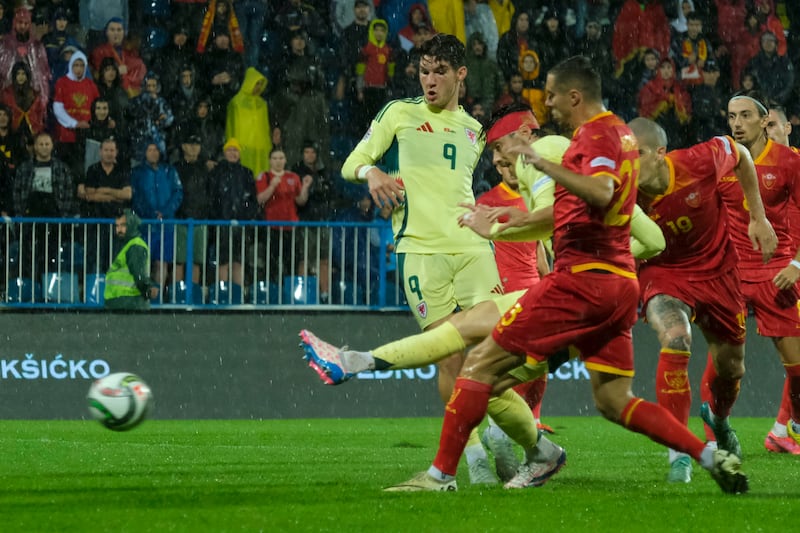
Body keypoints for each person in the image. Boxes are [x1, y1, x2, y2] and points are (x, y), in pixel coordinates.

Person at [308, 56, 755, 494]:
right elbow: (578, 216)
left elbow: (600, 192)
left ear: (575, 96)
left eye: (555, 96)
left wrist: (539, 165)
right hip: (619, 286)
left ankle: (435, 470)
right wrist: (510, 222)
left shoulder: (588, 139)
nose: (549, 106)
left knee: (477, 361)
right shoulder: (618, 135)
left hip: (580, 281)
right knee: (613, 401)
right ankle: (707, 454)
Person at [301, 102, 667, 485]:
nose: (496, 159)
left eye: (498, 147)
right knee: (482, 381)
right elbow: (652, 240)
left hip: (563, 301)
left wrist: (515, 237)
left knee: (463, 348)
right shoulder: (598, 175)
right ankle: (542, 453)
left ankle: (361, 370)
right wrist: (607, 263)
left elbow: (546, 216)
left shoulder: (545, 155)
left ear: (525, 134)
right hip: (583, 306)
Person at [337, 33, 508, 484]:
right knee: (448, 354)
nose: (429, 81)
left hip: (471, 248)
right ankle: (470, 458)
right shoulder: (400, 113)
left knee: (499, 343)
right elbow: (351, 161)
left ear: (460, 75)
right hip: (419, 250)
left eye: (440, 72)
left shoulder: (474, 130)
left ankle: (500, 432)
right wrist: (372, 172)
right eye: (424, 71)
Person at [628, 117, 775, 483]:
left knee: (732, 368)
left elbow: (741, 155)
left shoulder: (699, 160)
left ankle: (719, 419)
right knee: (675, 337)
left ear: (660, 154)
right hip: (664, 273)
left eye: (638, 153)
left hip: (719, 274)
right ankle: (679, 449)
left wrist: (758, 217)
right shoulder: (624, 192)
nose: (627, 162)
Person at [700, 91, 800, 456]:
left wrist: (796, 264)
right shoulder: (718, 161)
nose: (737, 123)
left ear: (764, 122)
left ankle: (789, 428)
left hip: (779, 271)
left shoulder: (789, 162)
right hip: (731, 275)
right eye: (731, 116)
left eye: (745, 116)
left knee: (797, 367)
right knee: (723, 364)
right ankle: (716, 436)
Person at [13, 132, 79, 279]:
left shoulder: (62, 168)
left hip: (53, 217)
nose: (44, 147)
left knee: (50, 255)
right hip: (30, 218)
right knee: (27, 255)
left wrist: (63, 213)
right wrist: (20, 214)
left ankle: (47, 291)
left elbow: (69, 192)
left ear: (52, 146)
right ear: (35, 147)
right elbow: (17, 192)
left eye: (47, 144)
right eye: (41, 144)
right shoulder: (24, 168)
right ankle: (29, 289)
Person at [130, 141, 184, 296]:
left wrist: (165, 212)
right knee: (145, 262)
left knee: (162, 262)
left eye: (155, 150)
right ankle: (144, 294)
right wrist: (150, 213)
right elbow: (136, 196)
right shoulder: (137, 173)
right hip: (145, 225)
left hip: (166, 225)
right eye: (149, 149)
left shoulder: (170, 171)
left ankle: (158, 296)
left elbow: (178, 193)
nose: (153, 153)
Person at [80, 137, 132, 274]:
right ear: (100, 152)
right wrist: (115, 195)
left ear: (116, 152)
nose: (109, 153)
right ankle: (92, 290)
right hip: (95, 221)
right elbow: (90, 196)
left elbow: (127, 195)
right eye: (106, 150)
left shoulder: (122, 170)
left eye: (112, 150)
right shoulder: (93, 170)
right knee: (94, 259)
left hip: (116, 222)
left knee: (114, 259)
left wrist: (104, 190)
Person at [174, 134, 211, 287]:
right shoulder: (176, 168)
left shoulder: (206, 168)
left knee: (197, 261)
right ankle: (177, 293)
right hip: (180, 219)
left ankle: (193, 294)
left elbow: (209, 193)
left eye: (196, 144)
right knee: (179, 260)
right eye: (190, 144)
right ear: (183, 146)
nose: (193, 148)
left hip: (200, 219)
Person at [104, 209, 157, 310]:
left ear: (131, 225)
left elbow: (138, 273)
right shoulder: (127, 244)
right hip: (124, 302)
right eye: (117, 226)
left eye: (123, 225)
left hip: (129, 303)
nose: (119, 229)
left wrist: (147, 289)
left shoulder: (135, 246)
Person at [89, 17, 147, 98]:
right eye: (112, 30)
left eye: (119, 30)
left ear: (124, 32)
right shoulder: (99, 52)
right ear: (106, 32)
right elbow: (98, 74)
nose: (116, 33)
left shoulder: (132, 53)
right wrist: (116, 71)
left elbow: (139, 71)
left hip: (130, 96)